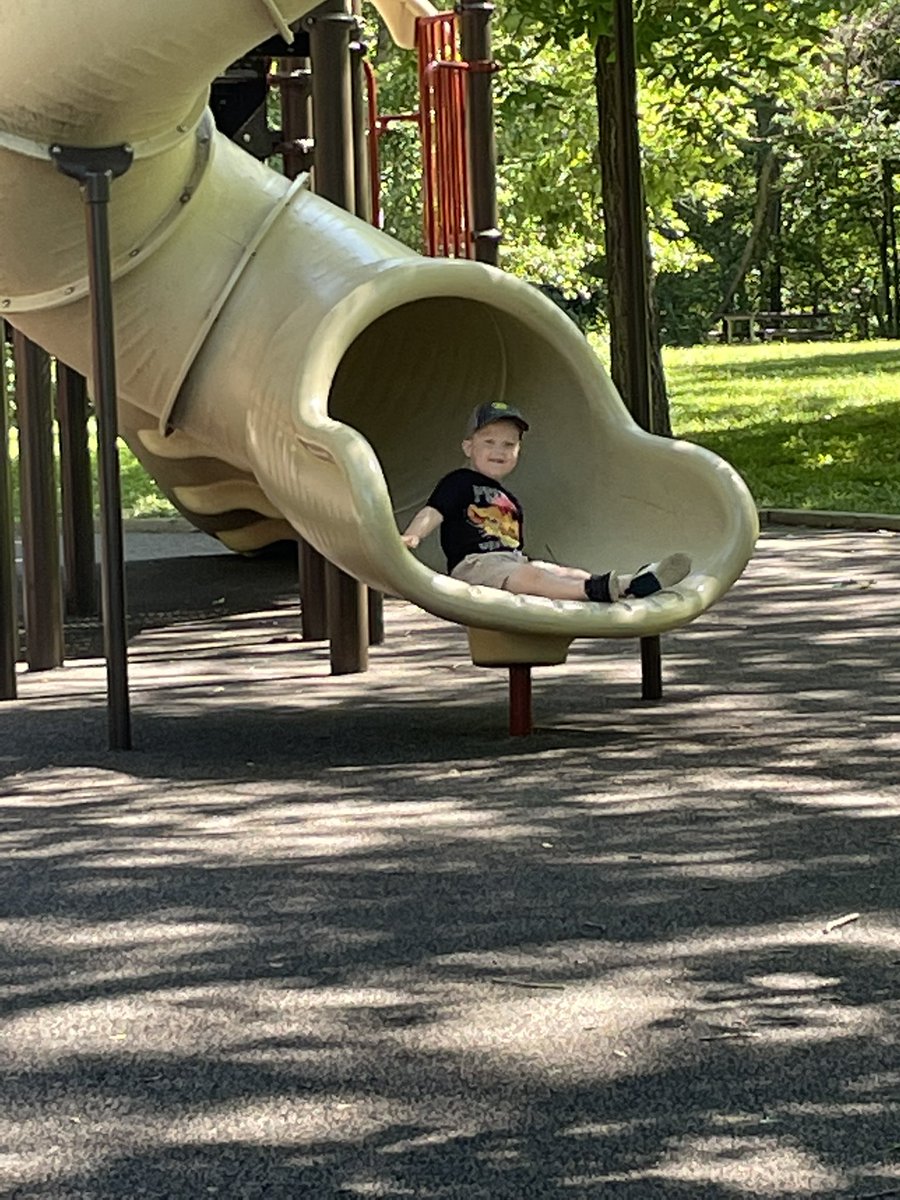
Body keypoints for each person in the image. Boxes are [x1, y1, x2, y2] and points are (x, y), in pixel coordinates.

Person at [401, 401, 691, 604]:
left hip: (511, 561)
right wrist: (413, 535)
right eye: (489, 442)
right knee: (532, 575)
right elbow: (433, 511)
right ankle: (598, 589)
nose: (498, 451)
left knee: (562, 572)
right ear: (468, 446)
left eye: (509, 444)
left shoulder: (509, 500)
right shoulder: (459, 481)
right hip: (476, 566)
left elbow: (513, 546)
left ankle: (627, 584)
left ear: (518, 451)